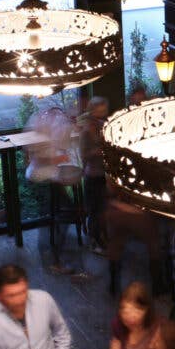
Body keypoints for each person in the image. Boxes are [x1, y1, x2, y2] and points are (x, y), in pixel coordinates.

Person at [78, 95, 110, 251]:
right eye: (97, 113)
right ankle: (95, 240)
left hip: (104, 173)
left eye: (103, 112)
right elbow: (83, 155)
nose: (100, 116)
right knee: (95, 210)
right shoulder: (86, 132)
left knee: (102, 209)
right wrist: (98, 151)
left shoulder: (104, 126)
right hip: (93, 174)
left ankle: (102, 238)